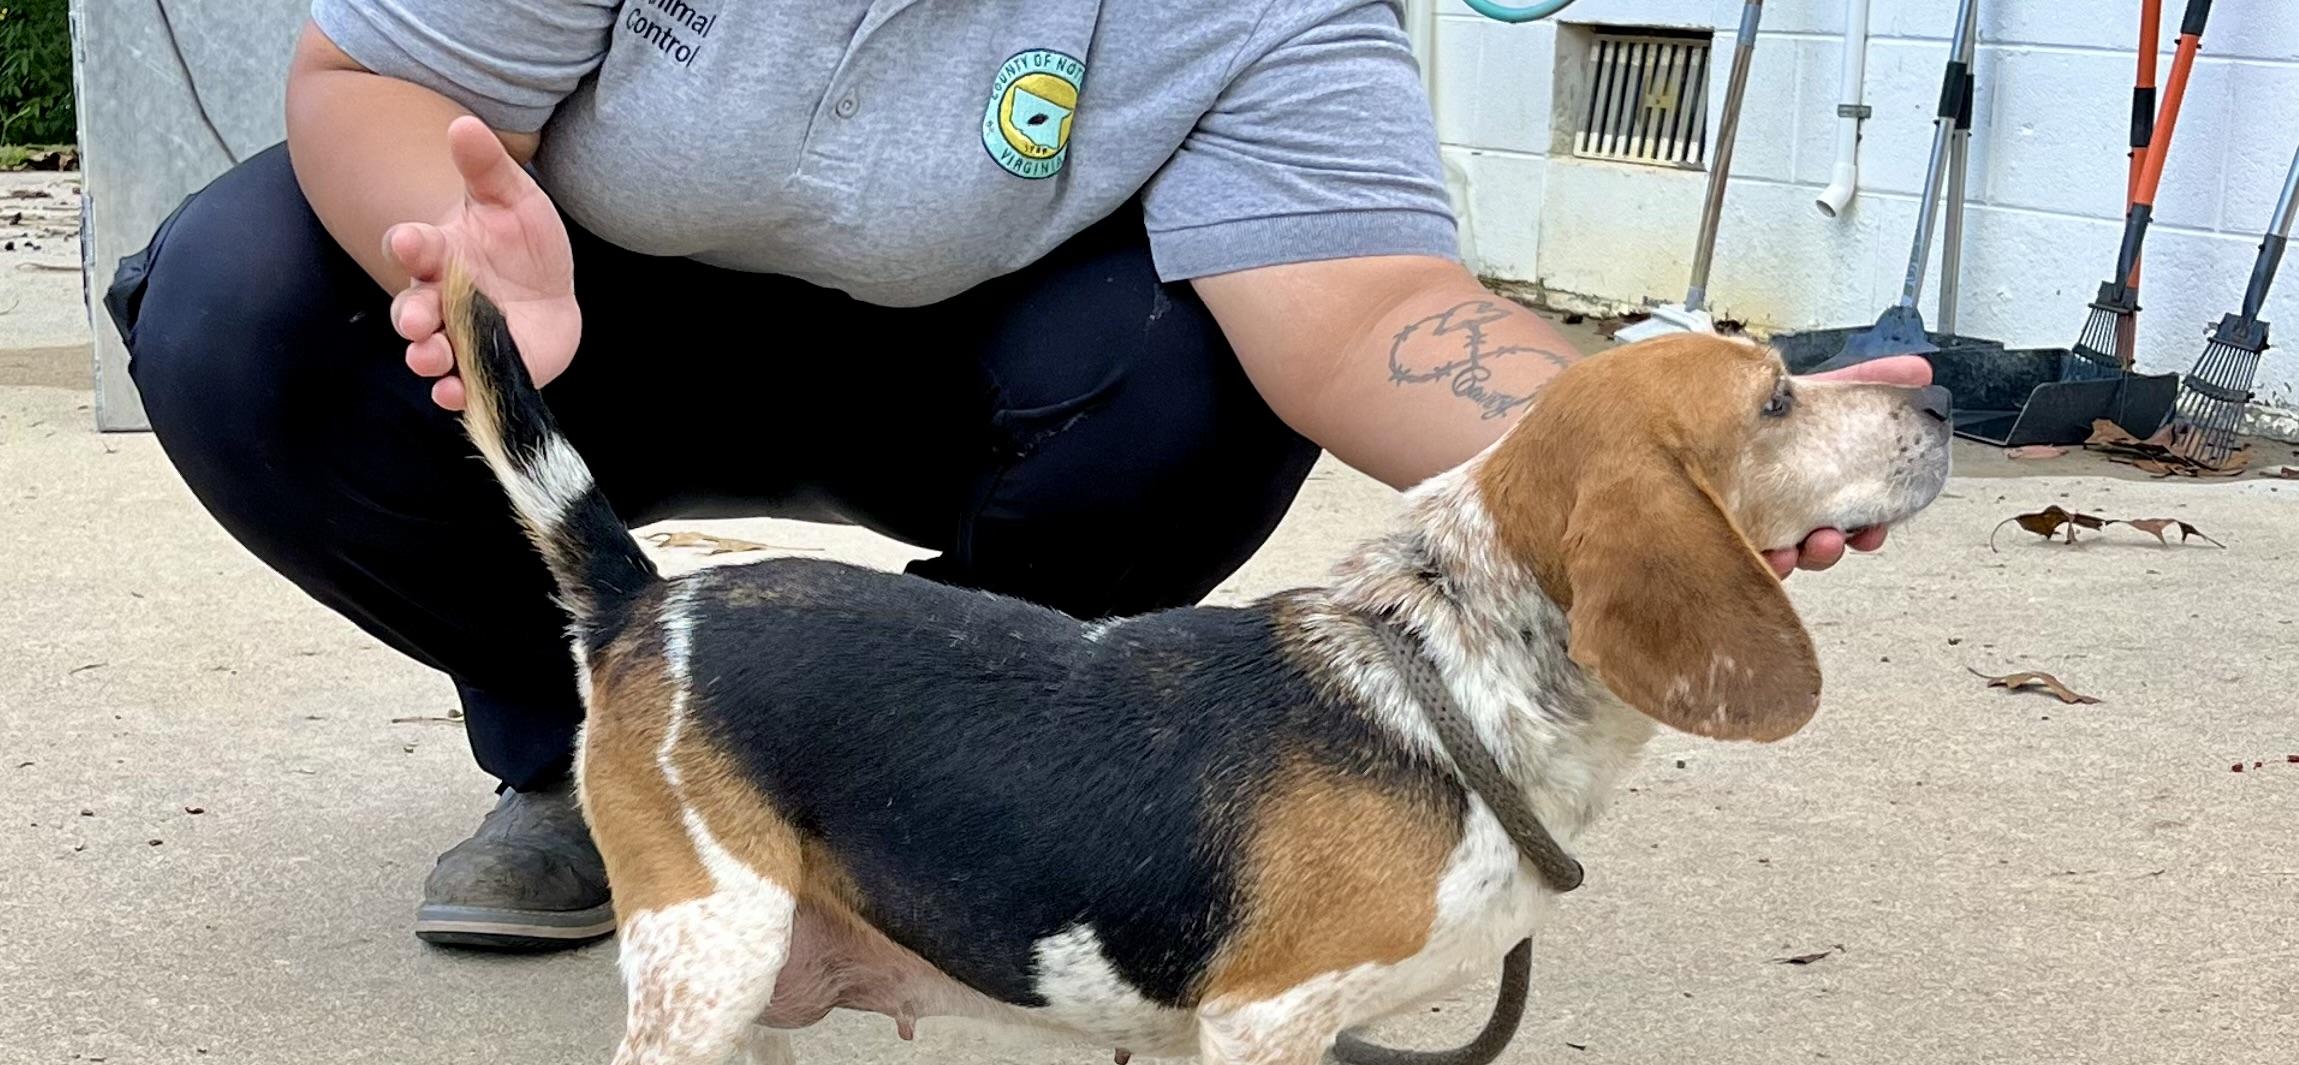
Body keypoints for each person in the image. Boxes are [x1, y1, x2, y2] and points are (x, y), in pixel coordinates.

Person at [108, 1, 1924, 951]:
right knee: (238, 305)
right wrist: (450, 236)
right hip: (587, 313)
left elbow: (1369, 305)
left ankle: (902, 767)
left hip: (961, 366)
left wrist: (1700, 447)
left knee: (1203, 381)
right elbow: (366, 76)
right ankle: (568, 747)